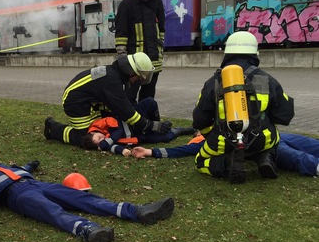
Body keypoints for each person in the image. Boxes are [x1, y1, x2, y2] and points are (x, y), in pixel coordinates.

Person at [0, 159, 175, 242]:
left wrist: (31, 166)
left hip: (33, 182)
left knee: (81, 198)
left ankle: (137, 211)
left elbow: (14, 168)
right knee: (51, 211)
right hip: (14, 194)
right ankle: (89, 230)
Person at [192, 31, 295, 183]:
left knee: (200, 162)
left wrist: (212, 136)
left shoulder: (213, 82)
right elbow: (285, 115)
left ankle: (227, 164)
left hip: (224, 142)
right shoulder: (268, 80)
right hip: (262, 141)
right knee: (275, 135)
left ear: (227, 54)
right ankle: (265, 157)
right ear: (254, 53)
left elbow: (199, 120)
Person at [44, 53, 173, 147]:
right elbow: (126, 112)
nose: (139, 80)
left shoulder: (114, 75)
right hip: (76, 104)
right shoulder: (113, 81)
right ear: (131, 72)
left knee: (106, 128)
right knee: (87, 137)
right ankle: (53, 129)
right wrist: (151, 125)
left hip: (90, 102)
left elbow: (123, 105)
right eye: (139, 76)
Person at [132, 132, 319, 177]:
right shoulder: (204, 143)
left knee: (308, 144)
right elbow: (181, 150)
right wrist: (150, 152)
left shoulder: (214, 128)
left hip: (270, 135)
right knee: (298, 158)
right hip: (263, 145)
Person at [115, 0, 165, 105]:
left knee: (148, 97)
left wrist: (160, 49)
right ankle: (129, 124)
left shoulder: (157, 2)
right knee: (129, 97)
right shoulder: (127, 4)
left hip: (153, 60)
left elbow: (161, 29)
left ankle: (145, 123)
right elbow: (121, 32)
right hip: (134, 63)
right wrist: (122, 55)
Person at [80, 102, 194, 155]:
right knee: (168, 137)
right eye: (99, 142)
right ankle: (181, 130)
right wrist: (123, 151)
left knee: (150, 102)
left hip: (134, 122)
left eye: (99, 137)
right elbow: (115, 148)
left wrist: (106, 142)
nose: (103, 138)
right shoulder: (105, 143)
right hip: (139, 137)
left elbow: (118, 129)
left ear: (94, 132)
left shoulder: (100, 124)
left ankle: (158, 125)